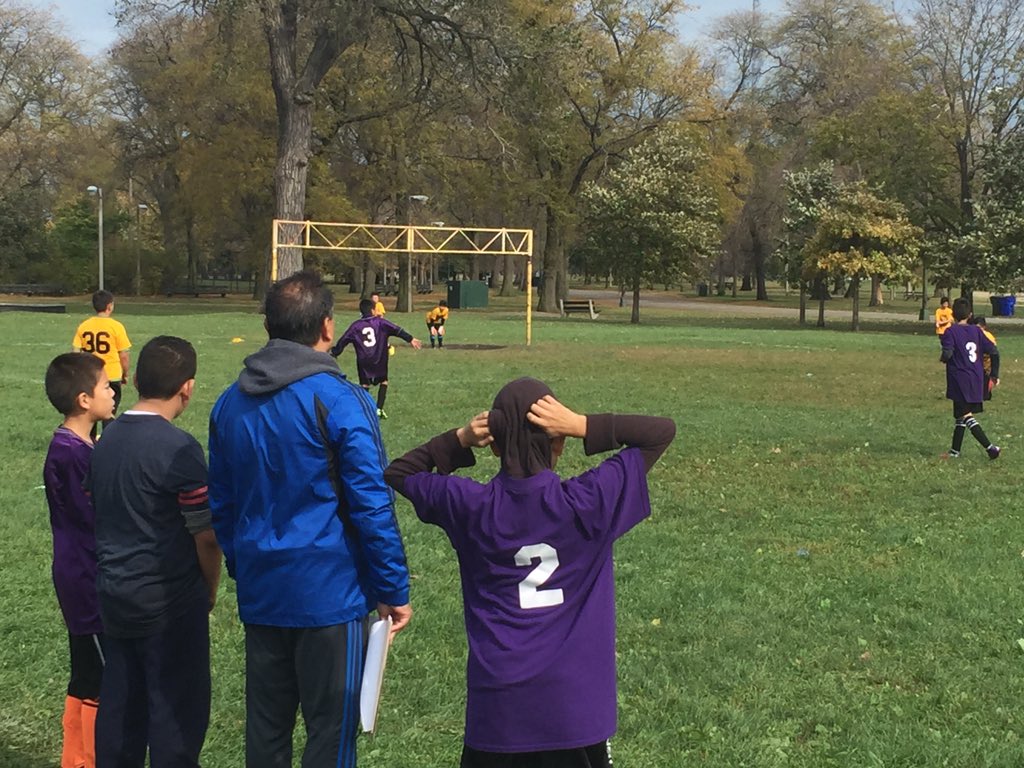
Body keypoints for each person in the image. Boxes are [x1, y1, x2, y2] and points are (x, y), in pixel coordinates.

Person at [385, 377, 676, 767]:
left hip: (499, 712)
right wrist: (582, 425)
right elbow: (661, 433)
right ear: (558, 442)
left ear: (495, 447)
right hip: (574, 711)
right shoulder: (589, 501)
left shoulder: (470, 506)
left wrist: (460, 438)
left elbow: (400, 472)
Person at [208, 271, 412, 768]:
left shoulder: (229, 404)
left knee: (267, 732)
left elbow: (223, 505)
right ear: (326, 327)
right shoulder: (340, 400)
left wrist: (245, 563)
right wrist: (393, 587)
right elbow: (370, 502)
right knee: (331, 733)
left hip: (264, 592)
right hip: (329, 597)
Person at [86, 336, 222, 767]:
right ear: (188, 387)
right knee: (175, 714)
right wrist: (209, 588)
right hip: (169, 602)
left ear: (138, 378)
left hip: (115, 594)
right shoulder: (179, 449)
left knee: (122, 706)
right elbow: (207, 535)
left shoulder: (104, 441)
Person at [43, 353, 116, 768]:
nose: (113, 392)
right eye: (106, 386)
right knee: (98, 678)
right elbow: (93, 516)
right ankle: (87, 759)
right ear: (85, 399)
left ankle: (77, 758)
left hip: (86, 570)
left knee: (89, 671)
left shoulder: (82, 446)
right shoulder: (72, 454)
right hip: (85, 576)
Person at [331, 297, 422, 419]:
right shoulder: (380, 322)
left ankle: (364, 410)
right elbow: (397, 330)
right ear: (373, 310)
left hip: (363, 360)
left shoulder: (355, 326)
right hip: (379, 357)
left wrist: (336, 352)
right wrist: (410, 339)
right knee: (383, 381)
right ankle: (379, 408)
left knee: (364, 384)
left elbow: (344, 340)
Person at [940, 299, 1000, 459]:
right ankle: (955, 451)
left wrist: (944, 358)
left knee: (966, 415)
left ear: (952, 314)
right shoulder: (977, 331)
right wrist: (994, 375)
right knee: (960, 414)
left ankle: (990, 448)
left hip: (959, 378)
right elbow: (994, 351)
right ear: (970, 315)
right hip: (976, 377)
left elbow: (948, 353)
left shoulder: (950, 331)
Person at [72, 290, 132, 424]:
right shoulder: (116, 326)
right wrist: (125, 373)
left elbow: (75, 351)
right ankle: (107, 442)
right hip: (112, 375)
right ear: (110, 306)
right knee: (109, 414)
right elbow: (124, 355)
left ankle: (88, 441)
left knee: (88, 415)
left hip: (91, 375)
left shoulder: (84, 326)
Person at [970, 315, 997, 400]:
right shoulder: (973, 335)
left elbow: (993, 350)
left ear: (984, 327)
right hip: (976, 362)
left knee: (985, 380)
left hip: (986, 363)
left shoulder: (988, 336)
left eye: (979, 328)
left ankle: (986, 395)